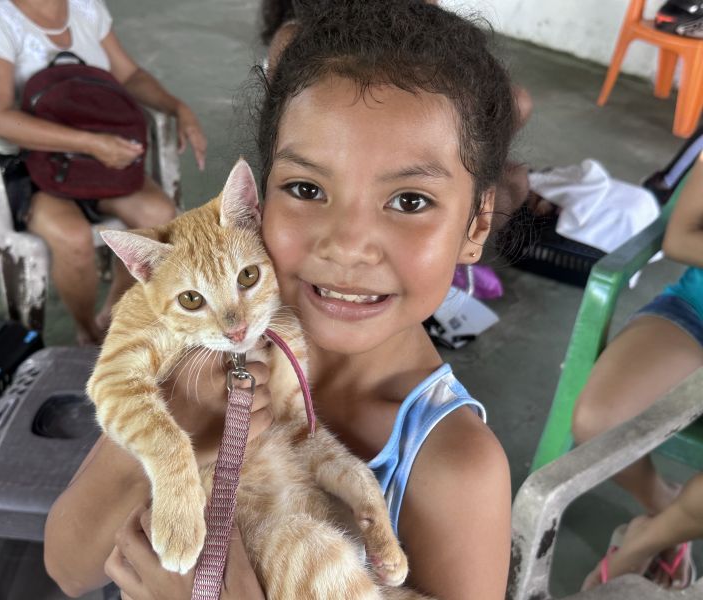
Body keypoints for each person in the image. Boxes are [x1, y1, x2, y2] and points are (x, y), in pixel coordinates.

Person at [44, 2, 515, 598]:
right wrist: (172, 429)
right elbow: (67, 566)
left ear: (475, 226)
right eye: (306, 188)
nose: (347, 246)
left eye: (411, 200)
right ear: (254, 206)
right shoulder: (212, 344)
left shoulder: (455, 467)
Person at [0, 0, 208, 345]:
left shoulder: (85, 8)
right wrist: (91, 143)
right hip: (24, 163)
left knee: (157, 216)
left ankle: (115, 317)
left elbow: (130, 75)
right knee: (72, 237)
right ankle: (87, 332)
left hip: (93, 158)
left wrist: (177, 107)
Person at [573, 151, 703, 589]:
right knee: (599, 423)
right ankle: (665, 509)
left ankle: (645, 542)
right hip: (695, 315)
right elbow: (681, 238)